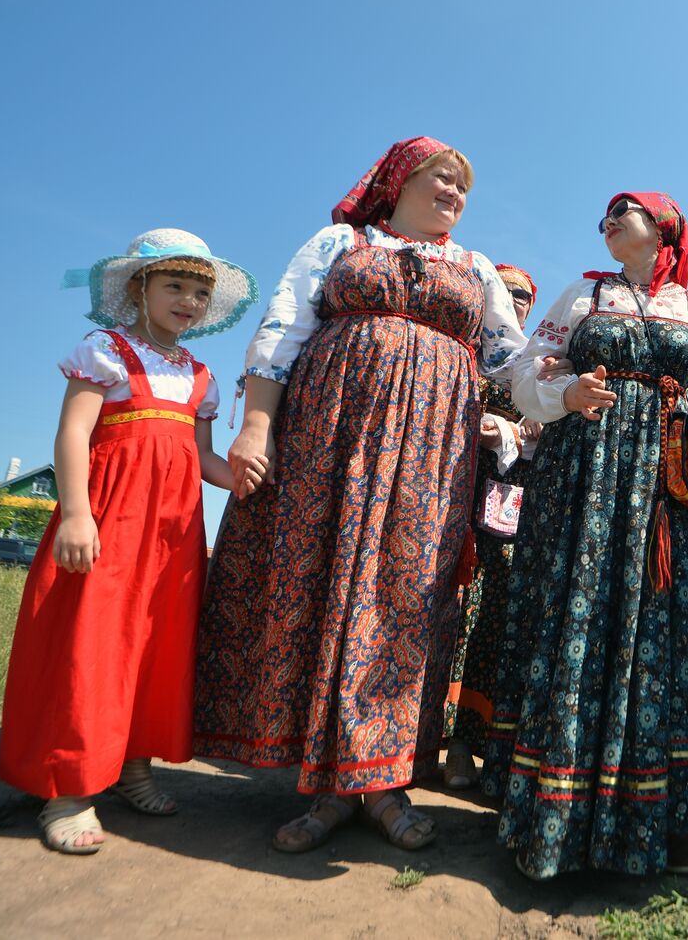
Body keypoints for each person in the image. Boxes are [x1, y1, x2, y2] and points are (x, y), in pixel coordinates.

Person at [193, 137, 527, 853]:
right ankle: (322, 789)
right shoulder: (340, 244)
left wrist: (574, 376)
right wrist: (256, 426)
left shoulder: (472, 269)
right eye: (444, 178)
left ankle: (382, 782)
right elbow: (282, 329)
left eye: (463, 186)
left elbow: (514, 359)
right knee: (322, 583)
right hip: (330, 434)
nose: (455, 194)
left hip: (432, 453)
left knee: (405, 596)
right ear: (400, 180)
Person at [482, 191, 688, 879]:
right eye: (603, 216)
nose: (607, 223)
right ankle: (552, 815)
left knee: (662, 630)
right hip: (585, 475)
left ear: (663, 228)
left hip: (664, 488)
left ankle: (666, 817)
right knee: (578, 617)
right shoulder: (583, 295)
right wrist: (566, 395)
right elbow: (525, 372)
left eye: (623, 212)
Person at [0, 229, 257, 854]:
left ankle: (134, 764)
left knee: (157, 640)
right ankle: (69, 786)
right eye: (175, 285)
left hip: (172, 533)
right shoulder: (104, 349)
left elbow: (202, 460)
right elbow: (71, 434)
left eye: (200, 291)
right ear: (140, 287)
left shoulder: (200, 376)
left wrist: (250, 478)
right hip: (110, 517)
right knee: (91, 640)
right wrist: (75, 515)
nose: (189, 301)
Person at [442, 263, 541, 789]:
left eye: (524, 296)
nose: (517, 303)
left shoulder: (531, 364)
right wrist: (496, 426)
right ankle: (434, 738)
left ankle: (473, 741)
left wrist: (535, 425)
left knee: (494, 606)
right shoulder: (461, 354)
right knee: (452, 604)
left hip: (513, 502)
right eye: (507, 294)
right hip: (454, 488)